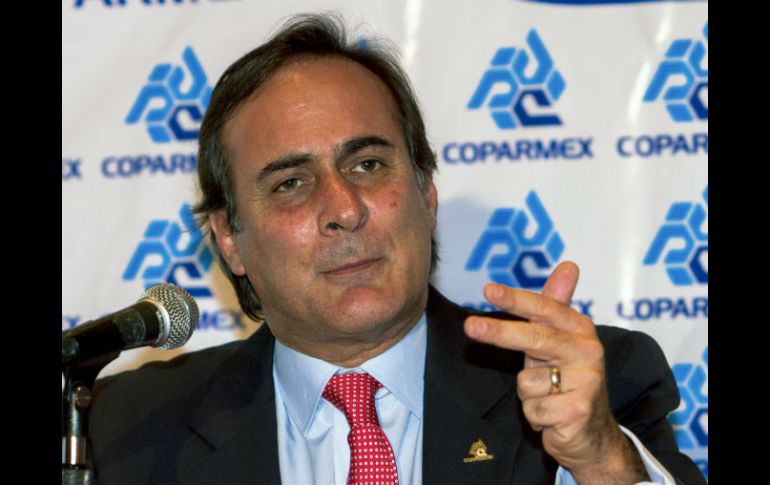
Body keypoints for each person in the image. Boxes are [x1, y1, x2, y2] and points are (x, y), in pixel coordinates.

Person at [89, 13, 706, 485]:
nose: (344, 209)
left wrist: (600, 459)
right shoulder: (131, 427)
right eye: (291, 183)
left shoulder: (588, 384)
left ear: (425, 192)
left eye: (367, 163)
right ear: (230, 239)